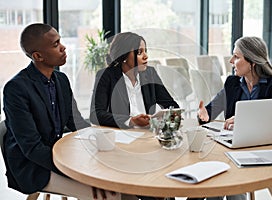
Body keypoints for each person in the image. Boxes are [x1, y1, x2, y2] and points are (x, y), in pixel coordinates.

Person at [2, 23, 121, 200]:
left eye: (60, 41)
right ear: (38, 56)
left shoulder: (61, 80)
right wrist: (76, 166)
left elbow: (77, 122)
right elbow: (32, 148)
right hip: (33, 167)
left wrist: (103, 141)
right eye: (55, 44)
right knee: (108, 194)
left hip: (58, 156)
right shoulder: (16, 89)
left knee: (118, 183)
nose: (63, 47)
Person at [196, 36, 272, 200]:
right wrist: (204, 115)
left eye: (236, 57)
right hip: (230, 148)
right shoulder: (232, 83)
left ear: (252, 62)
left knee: (223, 183)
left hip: (259, 151)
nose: (231, 61)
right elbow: (211, 110)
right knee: (214, 181)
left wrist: (244, 119)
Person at [90, 32, 179, 129]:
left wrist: (165, 117)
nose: (146, 56)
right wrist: (131, 121)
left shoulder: (150, 74)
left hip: (147, 133)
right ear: (123, 56)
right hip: (122, 135)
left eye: (145, 51)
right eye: (139, 52)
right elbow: (95, 115)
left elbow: (171, 106)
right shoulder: (106, 76)